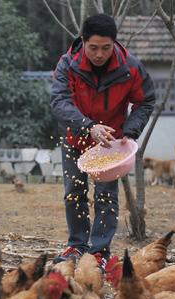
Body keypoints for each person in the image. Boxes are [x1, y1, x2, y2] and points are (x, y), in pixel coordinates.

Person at [50, 13, 155, 268]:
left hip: (111, 145)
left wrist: (129, 133)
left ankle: (99, 251)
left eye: (106, 48)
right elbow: (59, 102)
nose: (99, 54)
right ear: (83, 42)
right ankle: (77, 244)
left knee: (106, 196)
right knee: (74, 192)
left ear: (114, 44)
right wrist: (88, 127)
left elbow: (145, 100)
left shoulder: (130, 67)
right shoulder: (68, 65)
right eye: (94, 47)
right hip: (76, 138)